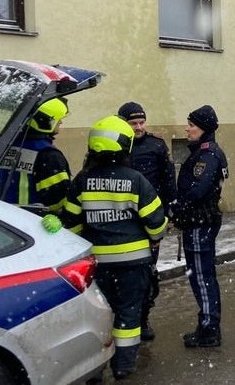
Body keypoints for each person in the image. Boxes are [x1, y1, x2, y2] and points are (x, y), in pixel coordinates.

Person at [60, 115, 168, 380]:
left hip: (95, 265)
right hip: (133, 263)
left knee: (98, 315)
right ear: (125, 147)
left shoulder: (82, 181)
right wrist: (155, 236)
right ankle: (123, 365)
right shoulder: (136, 180)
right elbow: (156, 224)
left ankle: (95, 368)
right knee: (129, 313)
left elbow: (70, 225)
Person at [117, 101, 178, 342]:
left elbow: (168, 180)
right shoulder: (115, 145)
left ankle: (142, 319)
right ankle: (121, 318)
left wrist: (171, 211)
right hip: (121, 221)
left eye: (142, 122)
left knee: (147, 271)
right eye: (133, 123)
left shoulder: (156, 145)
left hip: (150, 220)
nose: (139, 127)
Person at [173, 105, 229, 348]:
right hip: (200, 221)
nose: (187, 128)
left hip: (200, 223)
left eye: (192, 125)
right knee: (203, 275)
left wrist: (177, 207)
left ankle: (209, 329)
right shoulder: (206, 152)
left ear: (203, 128)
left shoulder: (207, 155)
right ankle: (207, 325)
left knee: (202, 277)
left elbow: (197, 191)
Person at [0, 97, 72, 213]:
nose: (61, 122)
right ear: (47, 121)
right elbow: (58, 200)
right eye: (58, 119)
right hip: (34, 222)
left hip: (6, 218)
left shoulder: (10, 146)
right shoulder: (49, 155)